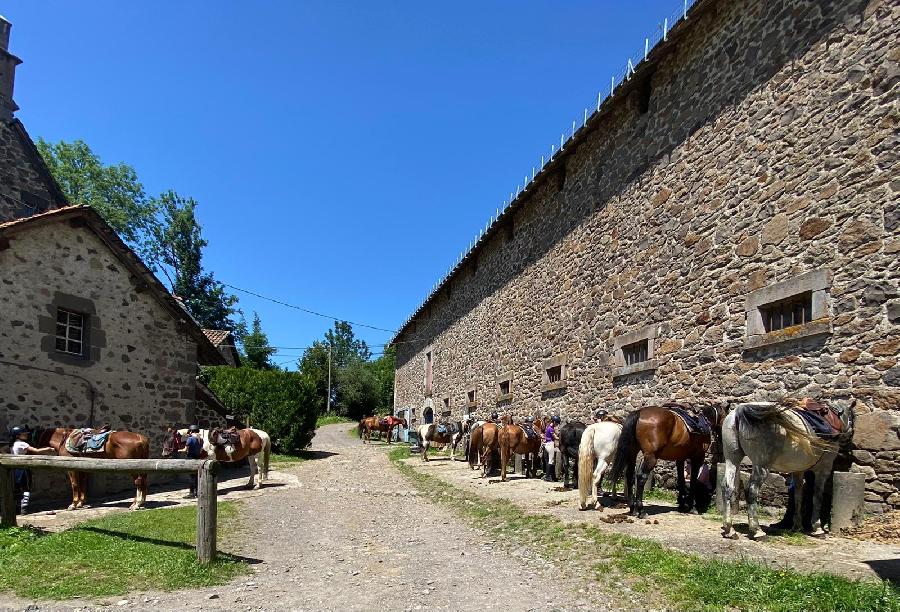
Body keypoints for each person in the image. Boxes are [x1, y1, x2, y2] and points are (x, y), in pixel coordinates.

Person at [9, 426, 54, 515]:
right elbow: (36, 451)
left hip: (14, 468)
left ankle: (16, 509)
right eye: (24, 434)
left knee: (17, 488)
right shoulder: (23, 444)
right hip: (23, 469)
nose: (26, 435)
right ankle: (23, 509)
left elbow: (2, 450)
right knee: (26, 488)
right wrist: (48, 449)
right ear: (18, 435)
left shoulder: (12, 444)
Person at [179, 424, 203, 498]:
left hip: (191, 458)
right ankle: (198, 492)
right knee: (197, 476)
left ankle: (192, 493)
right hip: (198, 458)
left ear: (191, 431)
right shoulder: (201, 439)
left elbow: (185, 450)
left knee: (191, 476)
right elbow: (201, 450)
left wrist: (179, 450)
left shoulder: (190, 439)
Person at [542, 415, 561, 482]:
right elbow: (555, 437)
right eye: (557, 423)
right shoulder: (551, 428)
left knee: (548, 461)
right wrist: (561, 438)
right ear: (555, 422)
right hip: (550, 444)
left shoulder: (548, 427)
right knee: (551, 461)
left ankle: (549, 476)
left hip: (547, 444)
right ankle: (548, 476)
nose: (557, 425)